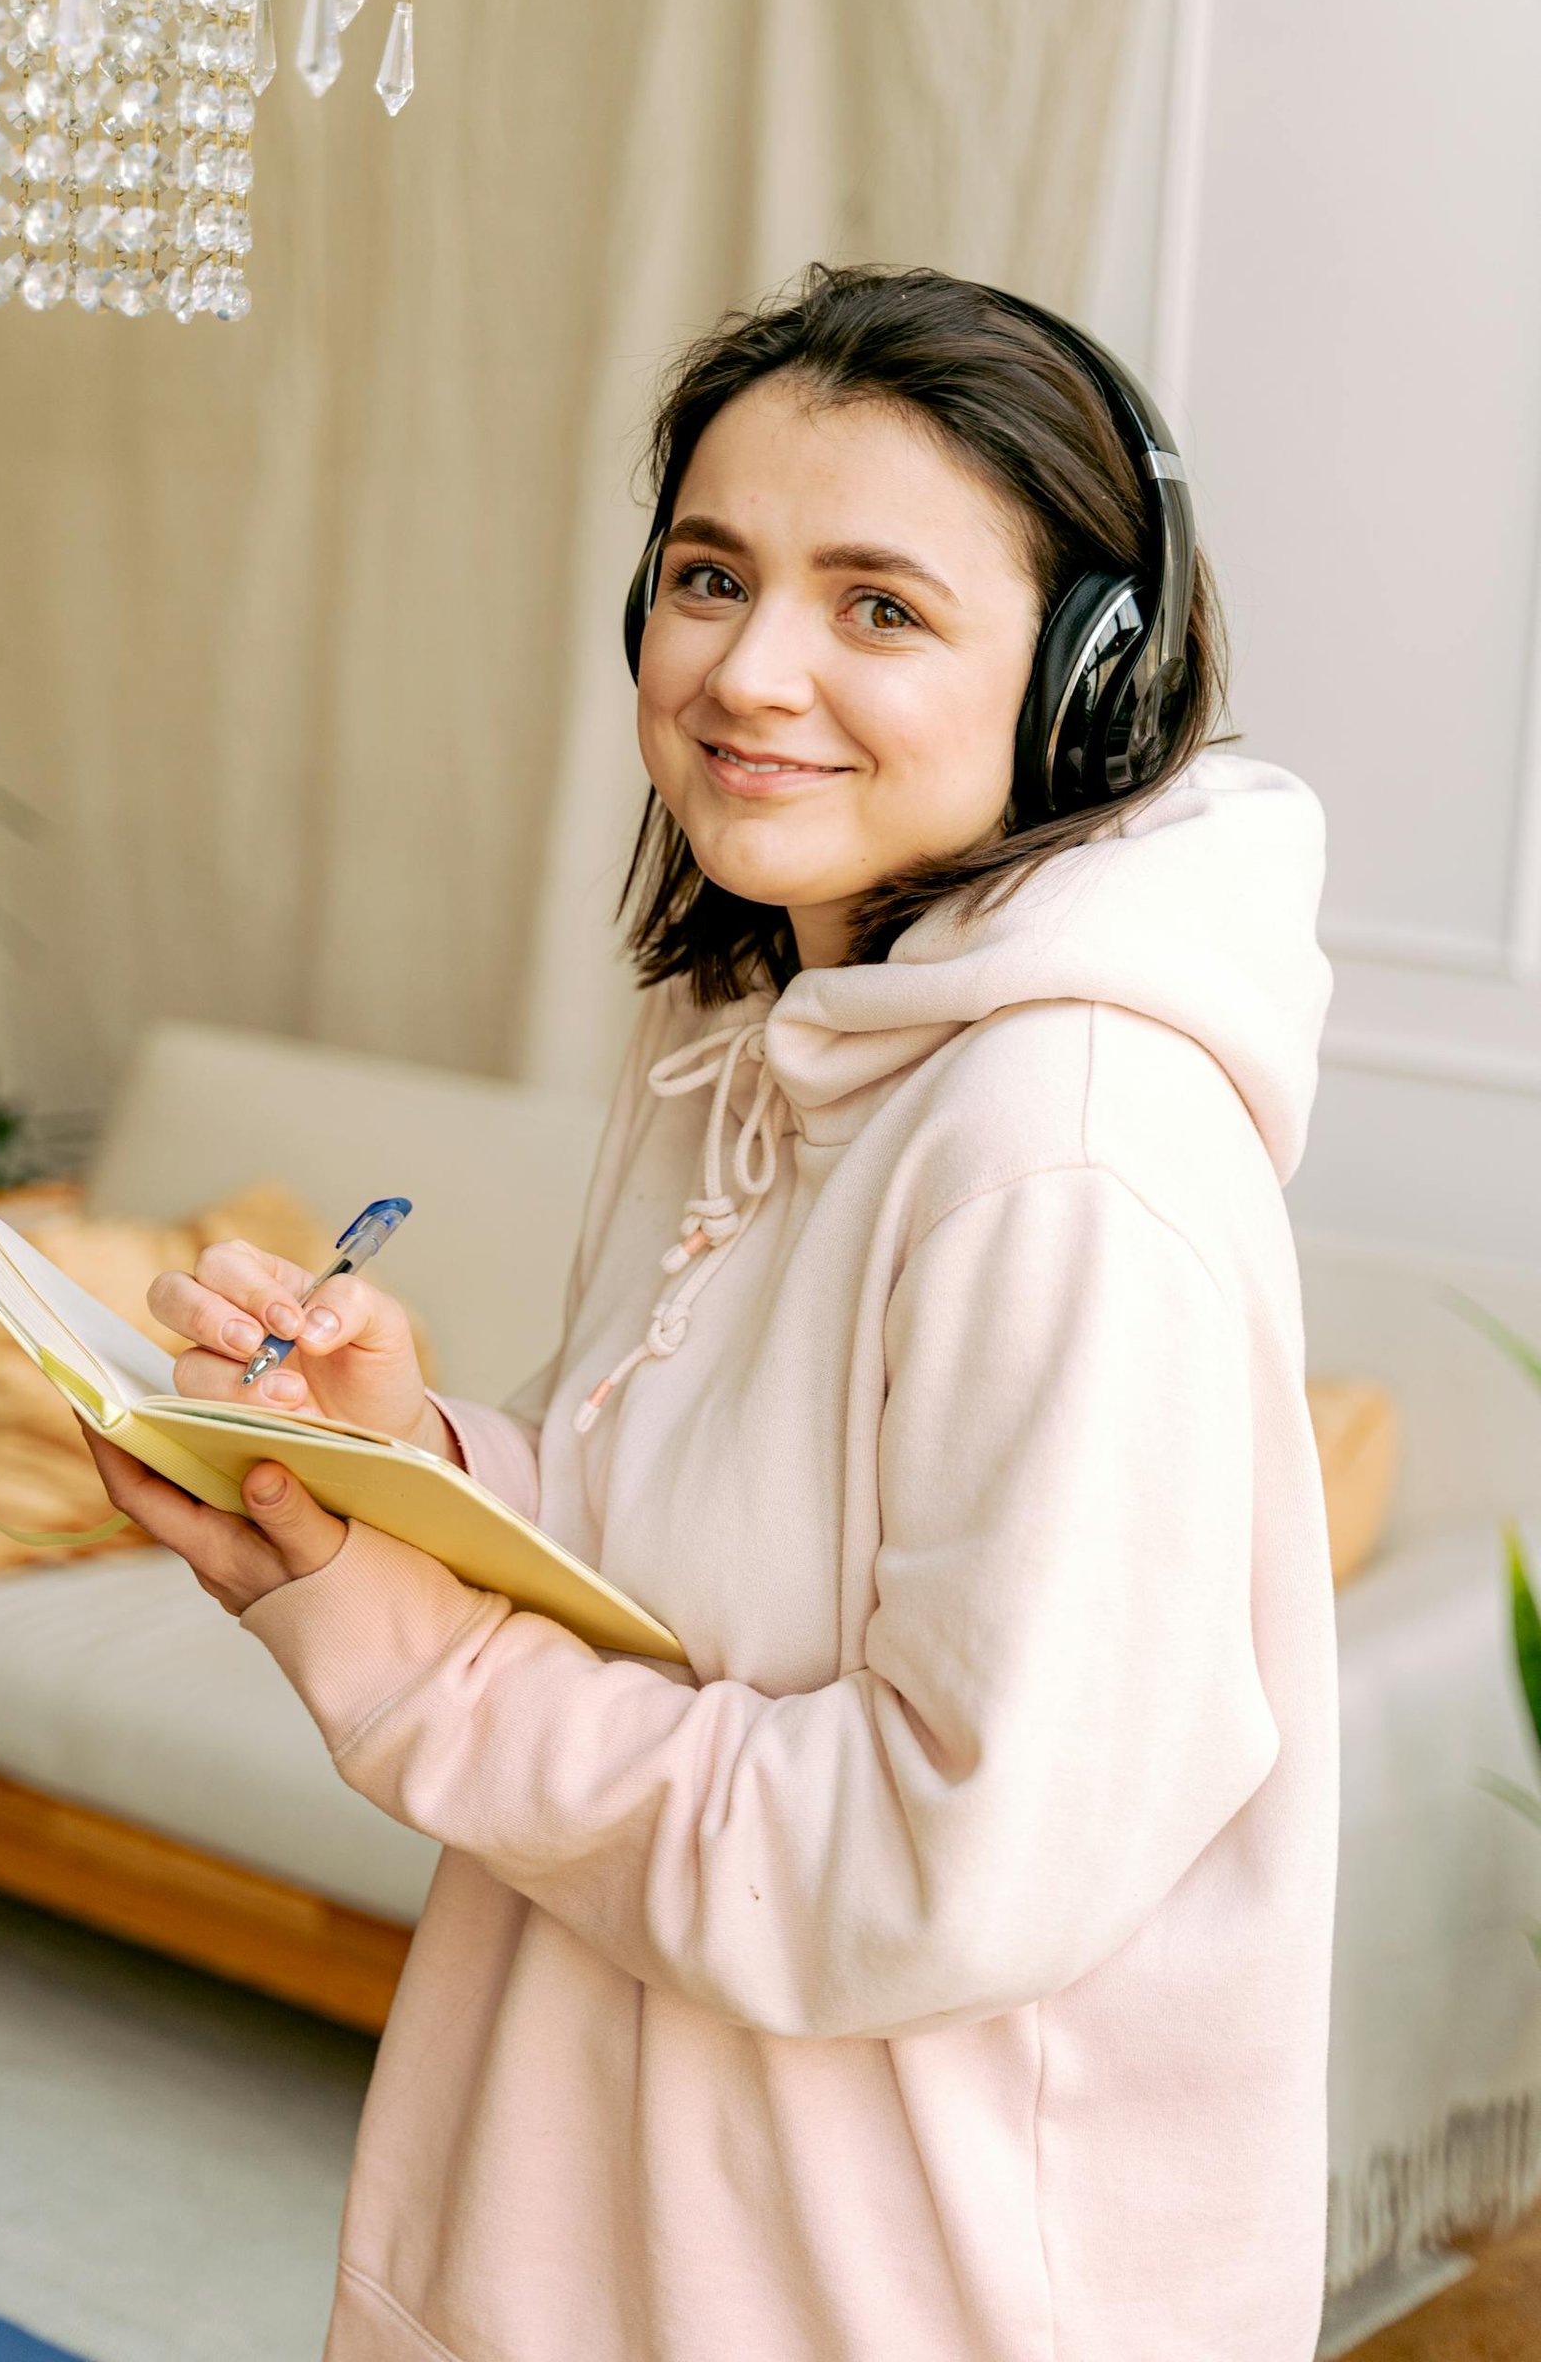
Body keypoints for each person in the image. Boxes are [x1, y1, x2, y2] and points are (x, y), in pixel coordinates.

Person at [84, 262, 1339, 2362]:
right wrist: (418, 1459)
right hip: (600, 2214)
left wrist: (408, 1667)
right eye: (705, 575)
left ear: (1084, 682)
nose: (749, 671)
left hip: (888, 2296)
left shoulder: (1072, 1155)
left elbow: (925, 1866)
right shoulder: (752, 1019)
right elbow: (715, 1587)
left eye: (878, 606)